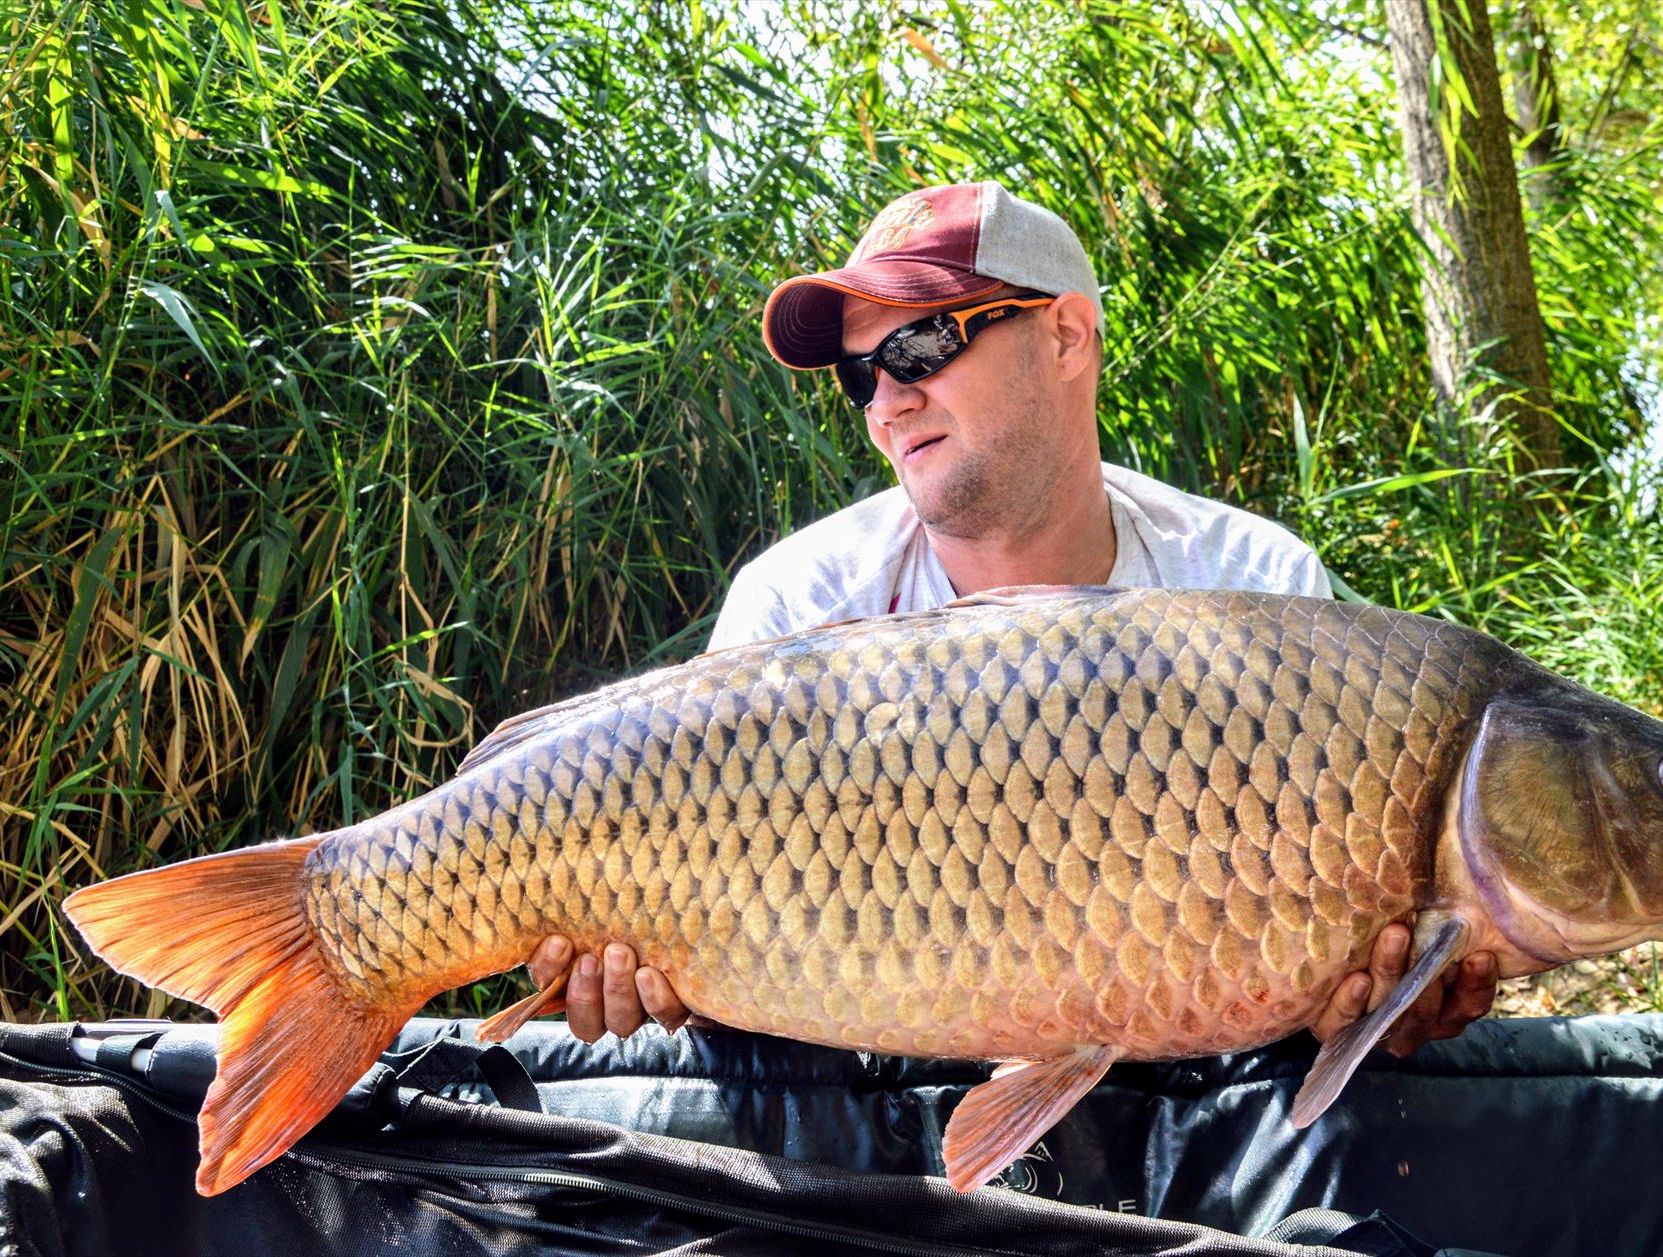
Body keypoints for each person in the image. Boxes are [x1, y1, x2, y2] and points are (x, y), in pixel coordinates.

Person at [521, 181, 1496, 1063]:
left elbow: (1359, 947)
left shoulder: (1255, 589)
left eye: (919, 347)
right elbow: (712, 954)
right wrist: (663, 990)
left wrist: (1381, 997)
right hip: (869, 1095)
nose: (886, 402)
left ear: (1067, 336)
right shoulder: (796, 610)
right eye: (859, 376)